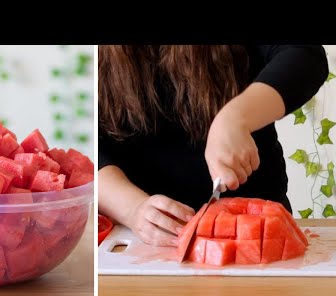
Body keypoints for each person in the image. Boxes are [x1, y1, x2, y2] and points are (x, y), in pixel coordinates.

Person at [98, 45, 328, 247]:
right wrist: (133, 209)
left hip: (257, 235)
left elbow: (304, 55)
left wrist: (236, 117)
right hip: (140, 239)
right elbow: (90, 150)